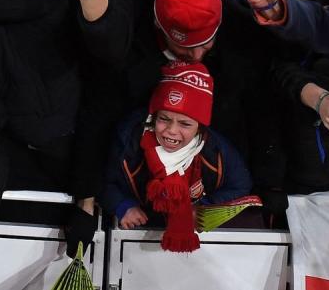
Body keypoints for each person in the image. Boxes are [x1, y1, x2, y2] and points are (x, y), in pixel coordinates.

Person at [101, 61, 252, 252]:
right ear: (154, 116)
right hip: (135, 239)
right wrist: (122, 206)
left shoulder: (216, 150)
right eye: (164, 119)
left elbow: (241, 185)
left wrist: (203, 208)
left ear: (200, 127)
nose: (171, 131)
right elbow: (104, 181)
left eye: (185, 124)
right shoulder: (129, 141)